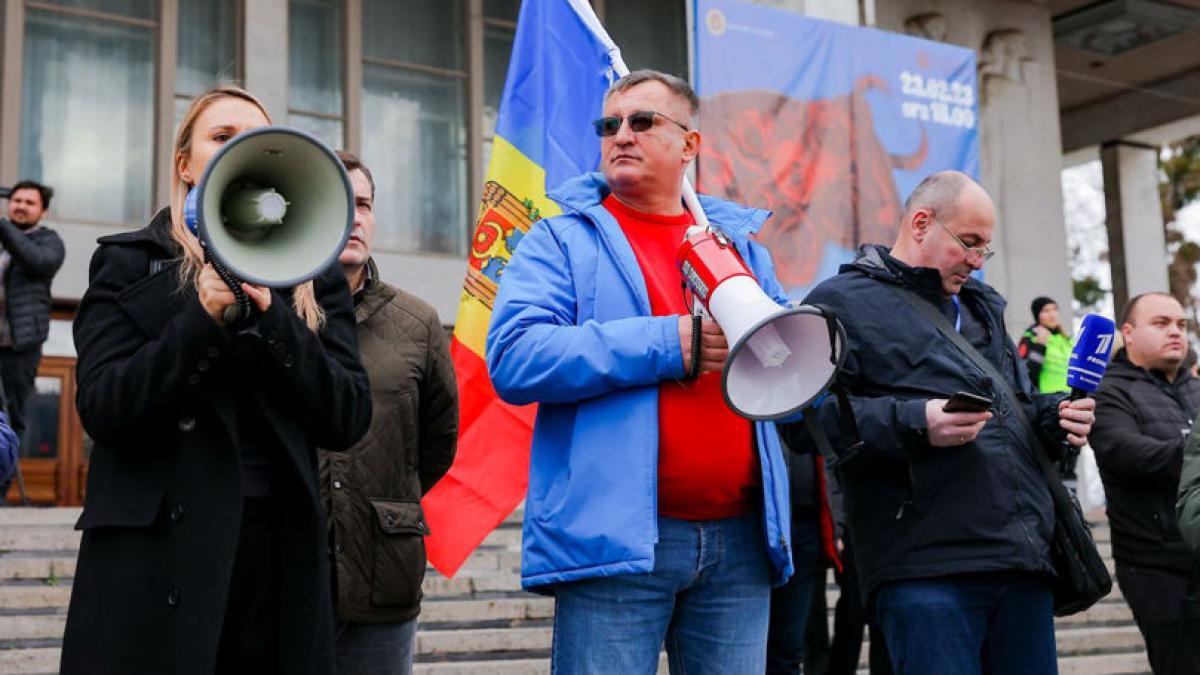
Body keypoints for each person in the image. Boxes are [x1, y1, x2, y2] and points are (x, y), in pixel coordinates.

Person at [487, 69, 794, 674]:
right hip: (619, 541)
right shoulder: (558, 240)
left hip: (740, 542)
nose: (620, 134)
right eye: (609, 124)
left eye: (643, 121)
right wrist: (665, 342)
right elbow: (516, 356)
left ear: (690, 145)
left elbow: (790, 368)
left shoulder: (742, 249)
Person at [60, 85, 371, 674]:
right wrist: (199, 322)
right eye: (222, 137)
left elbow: (348, 415)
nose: (238, 149)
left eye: (253, 139)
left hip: (272, 558)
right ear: (185, 163)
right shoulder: (127, 264)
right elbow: (105, 407)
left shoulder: (312, 277)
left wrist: (276, 319)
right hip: (156, 560)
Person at [796, 171, 1095, 675]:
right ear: (920, 223)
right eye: (969, 242)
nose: (978, 260)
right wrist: (916, 421)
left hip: (1021, 560)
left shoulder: (984, 308)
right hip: (925, 568)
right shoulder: (838, 302)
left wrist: (1054, 416)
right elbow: (806, 422)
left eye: (986, 249)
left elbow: (1012, 409)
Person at [319, 150, 458, 675]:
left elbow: (437, 442)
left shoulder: (418, 322)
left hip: (384, 572)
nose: (354, 217)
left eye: (363, 204)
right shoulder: (270, 310)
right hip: (285, 575)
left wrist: (384, 498)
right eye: (336, 202)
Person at [1093, 292, 1200, 675]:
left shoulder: (1196, 388)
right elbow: (1127, 454)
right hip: (1156, 567)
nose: (1175, 332)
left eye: (1181, 325)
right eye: (1161, 323)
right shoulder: (1109, 392)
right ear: (1129, 332)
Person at [0, 179, 64, 499]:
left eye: (29, 202)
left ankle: (1, 488)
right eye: (16, 200)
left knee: (13, 417)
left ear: (43, 210)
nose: (21, 206)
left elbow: (37, 263)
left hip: (19, 348)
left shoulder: (49, 242)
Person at [1018, 296, 1071, 393]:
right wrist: (1040, 345)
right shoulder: (1030, 338)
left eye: (1055, 309)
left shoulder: (1067, 340)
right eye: (1046, 311)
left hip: (1071, 398)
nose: (1052, 315)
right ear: (1037, 315)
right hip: (1048, 400)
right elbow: (1025, 375)